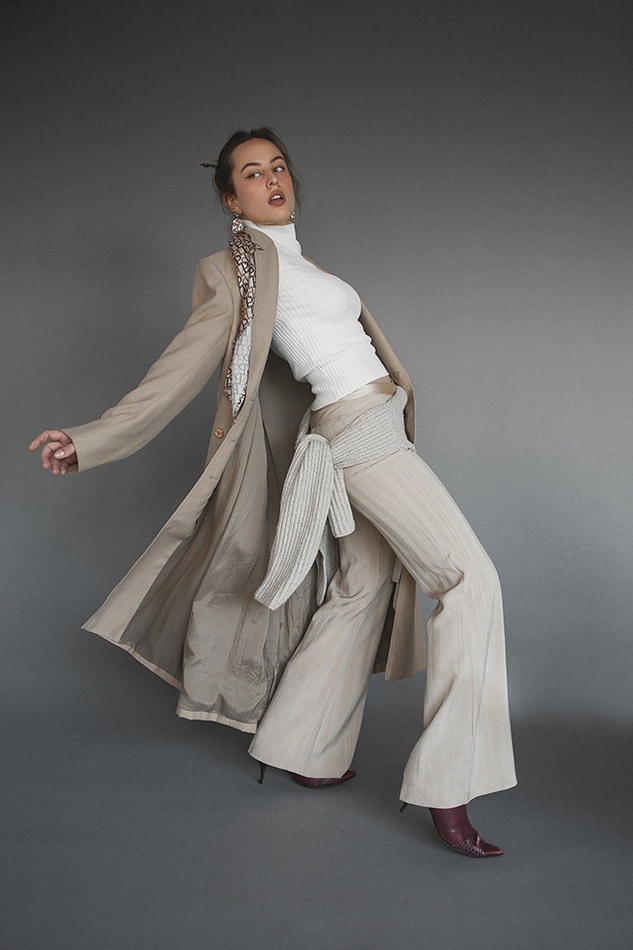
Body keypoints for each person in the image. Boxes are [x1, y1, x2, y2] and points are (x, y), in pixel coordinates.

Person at [29, 127, 517, 858]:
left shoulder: (301, 263)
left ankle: (299, 746)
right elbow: (180, 368)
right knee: (469, 580)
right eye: (252, 173)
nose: (272, 179)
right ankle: (450, 783)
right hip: (359, 434)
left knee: (362, 586)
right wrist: (93, 438)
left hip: (376, 424)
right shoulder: (235, 271)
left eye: (278, 166)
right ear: (232, 197)